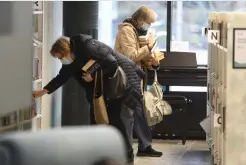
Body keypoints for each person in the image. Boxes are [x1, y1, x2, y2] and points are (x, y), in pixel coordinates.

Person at [32, 34, 145, 165]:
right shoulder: (71, 61)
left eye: (60, 57)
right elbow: (61, 77)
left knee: (116, 123)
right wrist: (43, 91)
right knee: (96, 122)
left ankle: (127, 157)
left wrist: (93, 75)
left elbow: (111, 63)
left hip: (114, 89)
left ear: (66, 51)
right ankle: (100, 157)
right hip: (98, 93)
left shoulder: (88, 47)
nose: (60, 60)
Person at [114, 6, 162, 157]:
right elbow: (131, 56)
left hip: (136, 80)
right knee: (127, 116)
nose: (149, 26)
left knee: (141, 115)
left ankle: (145, 146)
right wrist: (148, 47)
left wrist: (153, 61)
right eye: (148, 23)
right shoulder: (126, 31)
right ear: (140, 20)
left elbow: (141, 59)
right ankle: (127, 149)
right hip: (126, 80)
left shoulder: (137, 32)